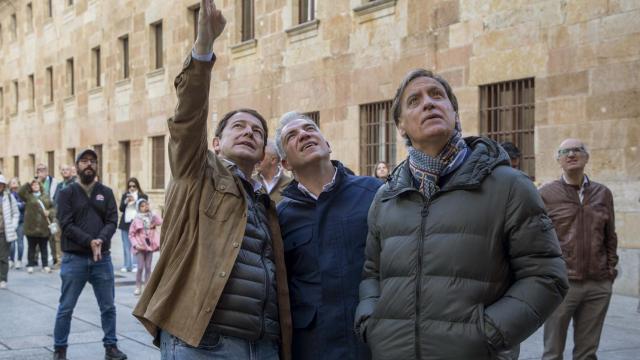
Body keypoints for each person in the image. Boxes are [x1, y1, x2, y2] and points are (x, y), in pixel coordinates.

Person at [354, 69, 569, 359]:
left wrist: (486, 335)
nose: (429, 103)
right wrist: (371, 322)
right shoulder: (386, 196)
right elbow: (372, 273)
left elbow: (546, 276)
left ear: (454, 113)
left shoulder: (508, 185)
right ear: (401, 127)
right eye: (414, 100)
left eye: (437, 95)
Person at [133, 2, 292, 359]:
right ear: (216, 142)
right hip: (205, 341)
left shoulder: (264, 201)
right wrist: (204, 46)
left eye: (257, 131)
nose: (249, 132)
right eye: (239, 126)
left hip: (261, 344)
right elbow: (188, 117)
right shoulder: (198, 171)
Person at [275, 111, 381, 359]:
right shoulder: (281, 217)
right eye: (292, 135)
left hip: (371, 341)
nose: (303, 134)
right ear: (285, 164)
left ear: (328, 145)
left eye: (310, 128)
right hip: (313, 347)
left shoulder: (374, 193)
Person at [540, 139, 619, 360]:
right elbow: (536, 238)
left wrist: (609, 271)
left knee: (587, 353)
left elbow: (610, 235)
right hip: (562, 285)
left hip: (598, 284)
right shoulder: (546, 194)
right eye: (565, 151)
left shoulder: (603, 193)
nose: (571, 154)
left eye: (578, 150)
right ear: (558, 160)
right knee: (552, 353)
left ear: (586, 157)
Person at [52, 149, 125, 360]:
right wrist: (88, 241)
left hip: (102, 259)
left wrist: (100, 240)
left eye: (93, 161)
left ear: (97, 166)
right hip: (74, 259)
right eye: (84, 161)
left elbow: (113, 220)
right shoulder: (67, 193)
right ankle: (60, 349)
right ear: (76, 167)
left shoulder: (106, 192)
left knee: (108, 307)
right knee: (66, 307)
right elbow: (65, 223)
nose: (89, 164)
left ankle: (111, 347)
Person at [19, 179, 54, 274]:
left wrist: (49, 212)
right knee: (31, 247)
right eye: (33, 185)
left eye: (37, 185)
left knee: (44, 248)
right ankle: (30, 265)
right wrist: (27, 183)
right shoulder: (28, 196)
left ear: (40, 186)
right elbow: (20, 192)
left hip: (44, 227)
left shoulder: (46, 196)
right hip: (31, 227)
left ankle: (45, 265)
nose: (35, 186)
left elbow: (53, 207)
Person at [128, 198, 162, 296]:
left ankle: (147, 286)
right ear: (139, 208)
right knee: (140, 267)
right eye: (142, 206)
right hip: (140, 247)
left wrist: (154, 213)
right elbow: (131, 234)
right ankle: (138, 286)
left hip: (150, 246)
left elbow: (160, 222)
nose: (145, 207)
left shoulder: (152, 217)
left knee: (148, 267)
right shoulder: (136, 219)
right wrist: (136, 244)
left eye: (146, 205)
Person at [117, 178, 147, 273]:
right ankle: (127, 265)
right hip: (125, 223)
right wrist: (126, 201)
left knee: (136, 244)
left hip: (137, 223)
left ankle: (135, 265)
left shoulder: (142, 196)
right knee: (126, 245)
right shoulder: (125, 195)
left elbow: (144, 208)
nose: (132, 188)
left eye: (134, 186)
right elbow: (121, 209)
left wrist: (136, 200)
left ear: (137, 186)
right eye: (130, 186)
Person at [254, 140, 293, 204]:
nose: (256, 158)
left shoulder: (291, 185)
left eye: (261, 154)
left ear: (273, 160)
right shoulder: (250, 182)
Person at [0, 175, 20, 289]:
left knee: (3, 257)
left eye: (1, 184)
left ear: (4, 186)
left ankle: (3, 279)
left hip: (4, 231)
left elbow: (15, 213)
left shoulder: (8, 197)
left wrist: (13, 226)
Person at [8, 177, 26, 270]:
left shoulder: (22, 195)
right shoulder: (7, 195)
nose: (14, 184)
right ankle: (11, 260)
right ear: (10, 185)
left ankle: (19, 260)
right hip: (10, 221)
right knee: (11, 242)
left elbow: (24, 206)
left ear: (19, 184)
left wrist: (17, 205)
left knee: (20, 242)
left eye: (15, 182)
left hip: (21, 221)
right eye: (12, 182)